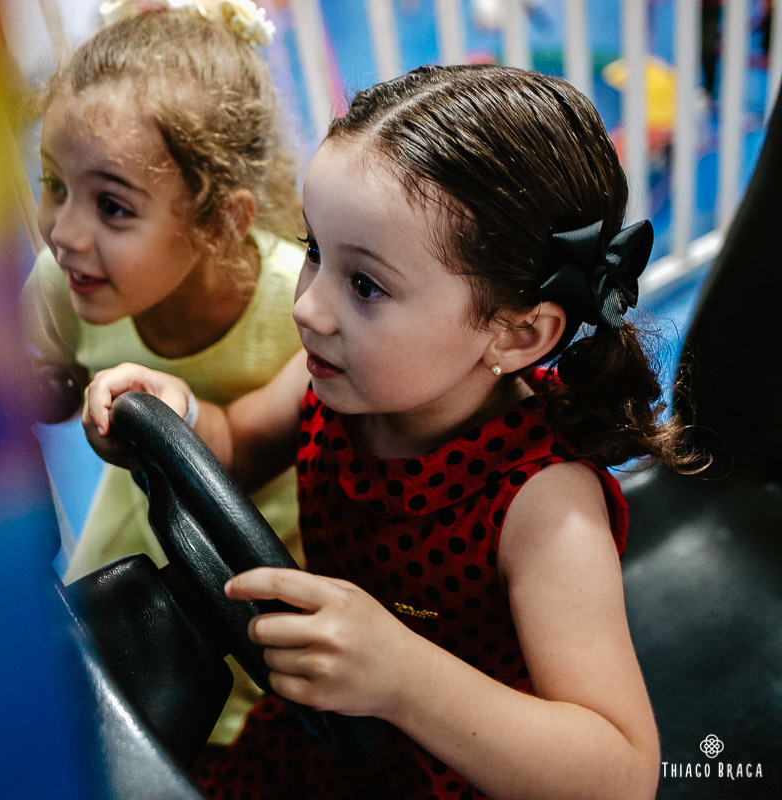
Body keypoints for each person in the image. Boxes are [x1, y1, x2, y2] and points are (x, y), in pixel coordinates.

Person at [83, 64, 707, 799]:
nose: (308, 307)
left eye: (366, 285)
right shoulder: (334, 381)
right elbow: (233, 448)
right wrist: (175, 414)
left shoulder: (545, 507)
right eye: (315, 250)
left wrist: (405, 678)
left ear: (516, 334)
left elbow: (622, 773)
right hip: (317, 739)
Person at [20, 0, 307, 748]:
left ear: (220, 221)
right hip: (135, 542)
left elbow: (251, 447)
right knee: (109, 714)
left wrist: (174, 415)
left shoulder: (300, 303)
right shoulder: (63, 285)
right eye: (55, 185)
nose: (64, 233)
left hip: (267, 554)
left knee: (250, 736)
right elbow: (52, 380)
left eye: (112, 207)